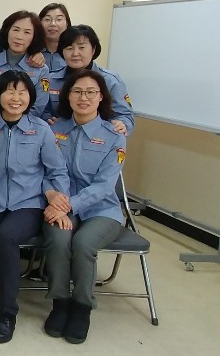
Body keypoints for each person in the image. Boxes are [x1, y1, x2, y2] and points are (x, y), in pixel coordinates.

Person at [0, 71, 69, 344]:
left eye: (22, 92)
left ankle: (7, 312)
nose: (16, 98)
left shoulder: (41, 130)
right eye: (10, 91)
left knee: (5, 237)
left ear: (30, 97)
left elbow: (57, 171)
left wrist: (56, 198)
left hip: (28, 202)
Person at [43, 69, 126, 345]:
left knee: (83, 244)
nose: (84, 97)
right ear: (68, 96)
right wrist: (52, 196)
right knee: (58, 240)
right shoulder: (53, 130)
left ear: (101, 97)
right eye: (77, 91)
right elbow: (42, 171)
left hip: (101, 210)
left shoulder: (114, 136)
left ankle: (82, 307)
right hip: (58, 205)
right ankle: (60, 303)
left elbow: (104, 186)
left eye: (91, 92)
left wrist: (68, 206)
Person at [45, 25, 134, 135]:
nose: (75, 53)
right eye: (69, 48)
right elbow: (43, 110)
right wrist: (47, 119)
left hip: (97, 139)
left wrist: (122, 124)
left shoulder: (110, 81)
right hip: (61, 139)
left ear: (93, 50)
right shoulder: (51, 79)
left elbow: (125, 115)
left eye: (81, 48)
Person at [0, 11, 50, 119]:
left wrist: (14, 123)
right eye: (16, 30)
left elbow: (37, 108)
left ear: (34, 37)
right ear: (7, 31)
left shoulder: (41, 69)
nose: (19, 37)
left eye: (27, 32)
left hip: (26, 126)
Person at [39, 3, 71, 71]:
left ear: (67, 23)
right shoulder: (31, 51)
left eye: (59, 19)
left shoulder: (73, 53)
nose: (53, 24)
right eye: (47, 19)